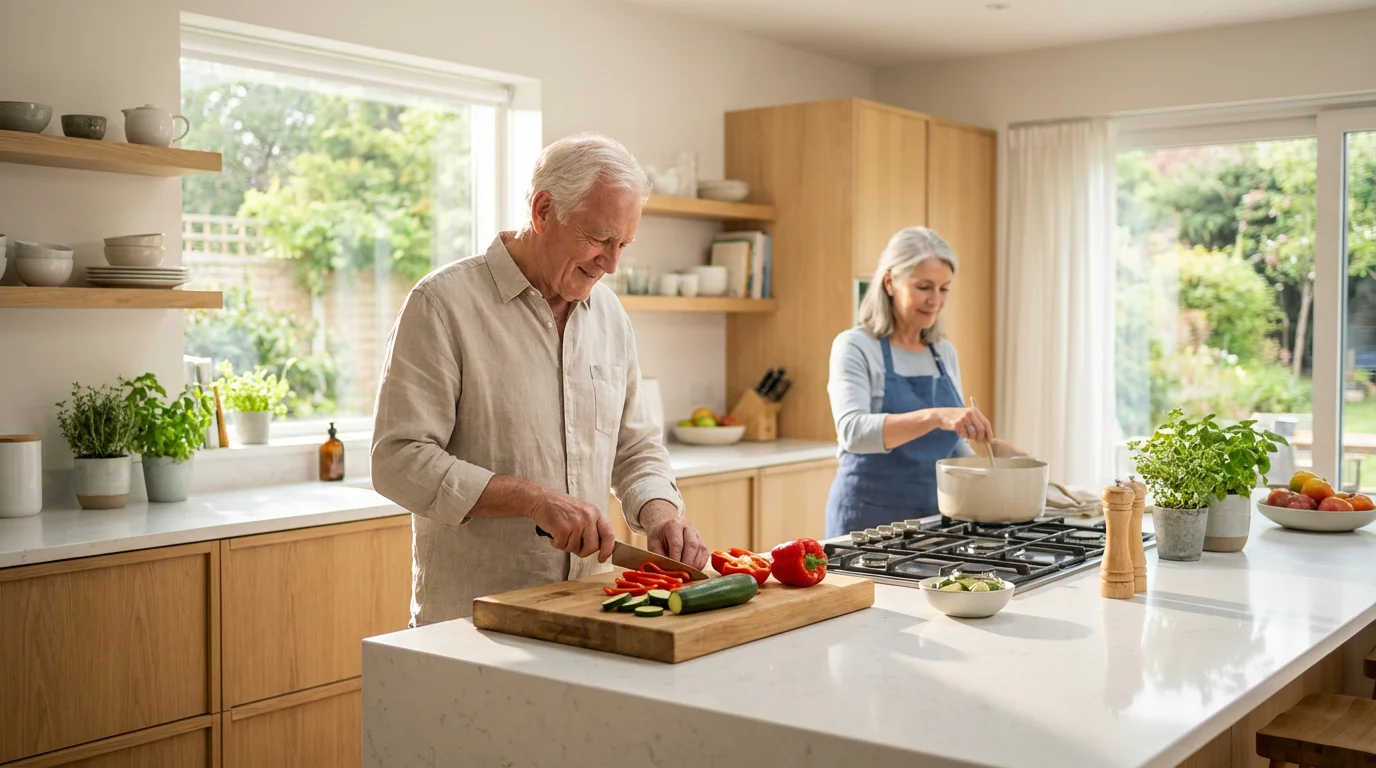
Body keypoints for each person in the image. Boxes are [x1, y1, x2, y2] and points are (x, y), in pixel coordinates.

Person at [371, 133, 709, 627]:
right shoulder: (442, 305)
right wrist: (533, 499)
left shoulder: (610, 316)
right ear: (543, 210)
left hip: (593, 609)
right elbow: (397, 460)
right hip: (477, 622)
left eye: (624, 244)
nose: (611, 263)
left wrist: (661, 516)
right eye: (598, 239)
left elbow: (635, 449)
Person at [824, 226, 1024, 537]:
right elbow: (852, 432)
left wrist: (996, 474)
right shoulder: (855, 346)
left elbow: (951, 445)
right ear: (890, 282)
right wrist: (936, 416)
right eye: (924, 287)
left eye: (944, 289)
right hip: (866, 522)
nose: (935, 300)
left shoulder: (942, 353)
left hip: (934, 522)